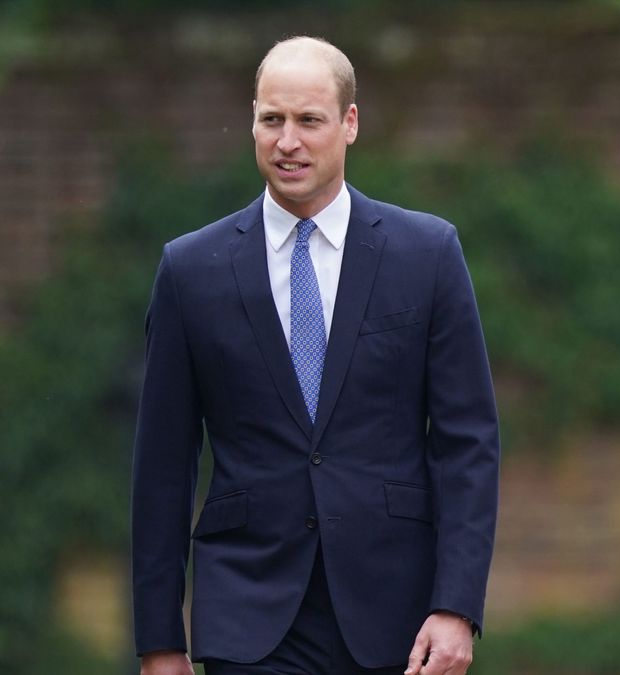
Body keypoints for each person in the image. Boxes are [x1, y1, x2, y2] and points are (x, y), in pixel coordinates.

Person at [131, 36, 500, 675]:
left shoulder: (428, 254)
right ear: (252, 119)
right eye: (272, 119)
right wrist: (160, 641)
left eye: (309, 120)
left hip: (398, 615)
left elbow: (468, 442)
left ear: (350, 124)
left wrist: (457, 605)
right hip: (246, 612)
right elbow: (163, 464)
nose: (288, 141)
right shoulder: (191, 269)